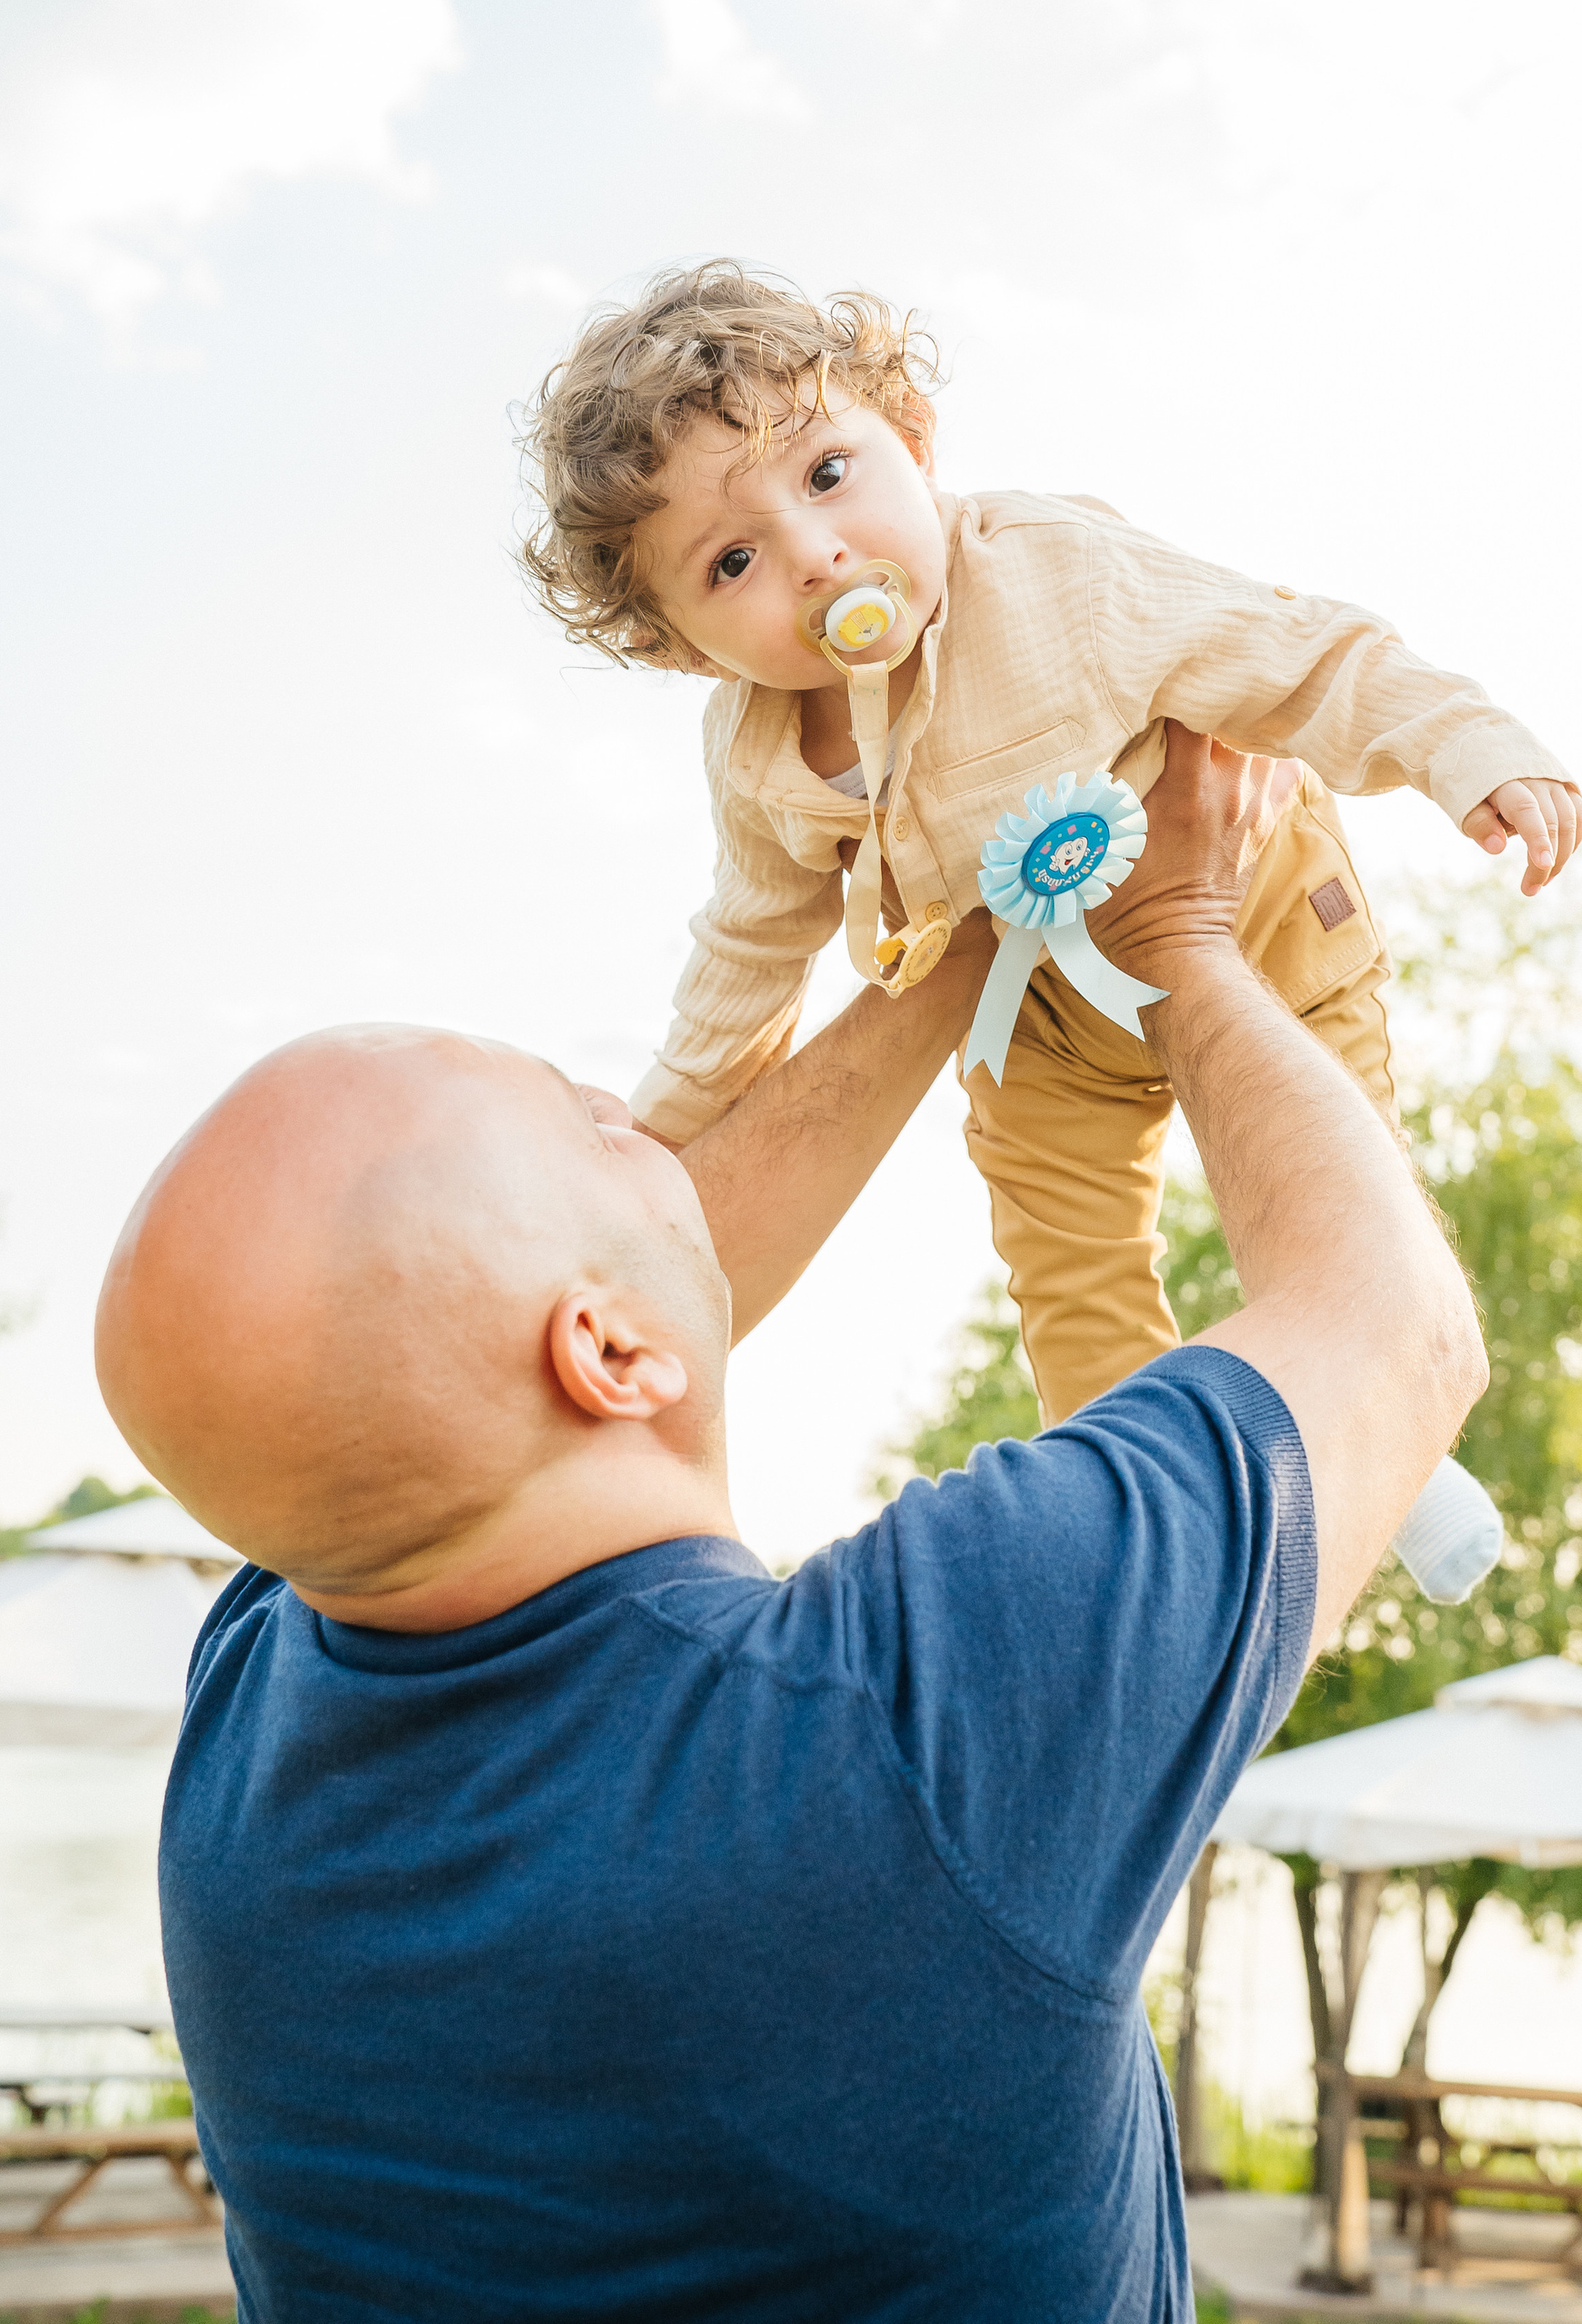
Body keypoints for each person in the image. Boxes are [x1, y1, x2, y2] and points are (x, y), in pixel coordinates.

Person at [97, 732, 1485, 2324]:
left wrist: (970, 927)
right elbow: (1396, 1328)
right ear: (604, 1352)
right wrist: (1181, 934)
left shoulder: (253, 1756)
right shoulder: (898, 1732)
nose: (634, 1107)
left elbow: (548, 1344)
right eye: (587, 1117)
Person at [519, 261, 1575, 1598]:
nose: (813, 553)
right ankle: (1152, 1537)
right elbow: (747, 960)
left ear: (912, 437)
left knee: (1321, 1201)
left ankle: (1392, 1442)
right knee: (1067, 1270)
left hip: (1254, 922)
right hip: (1032, 1005)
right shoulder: (759, 751)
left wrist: (1466, 747)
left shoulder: (1059, 577)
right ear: (683, 645)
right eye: (733, 562)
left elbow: (1293, 654)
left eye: (830, 473)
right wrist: (660, 1137)